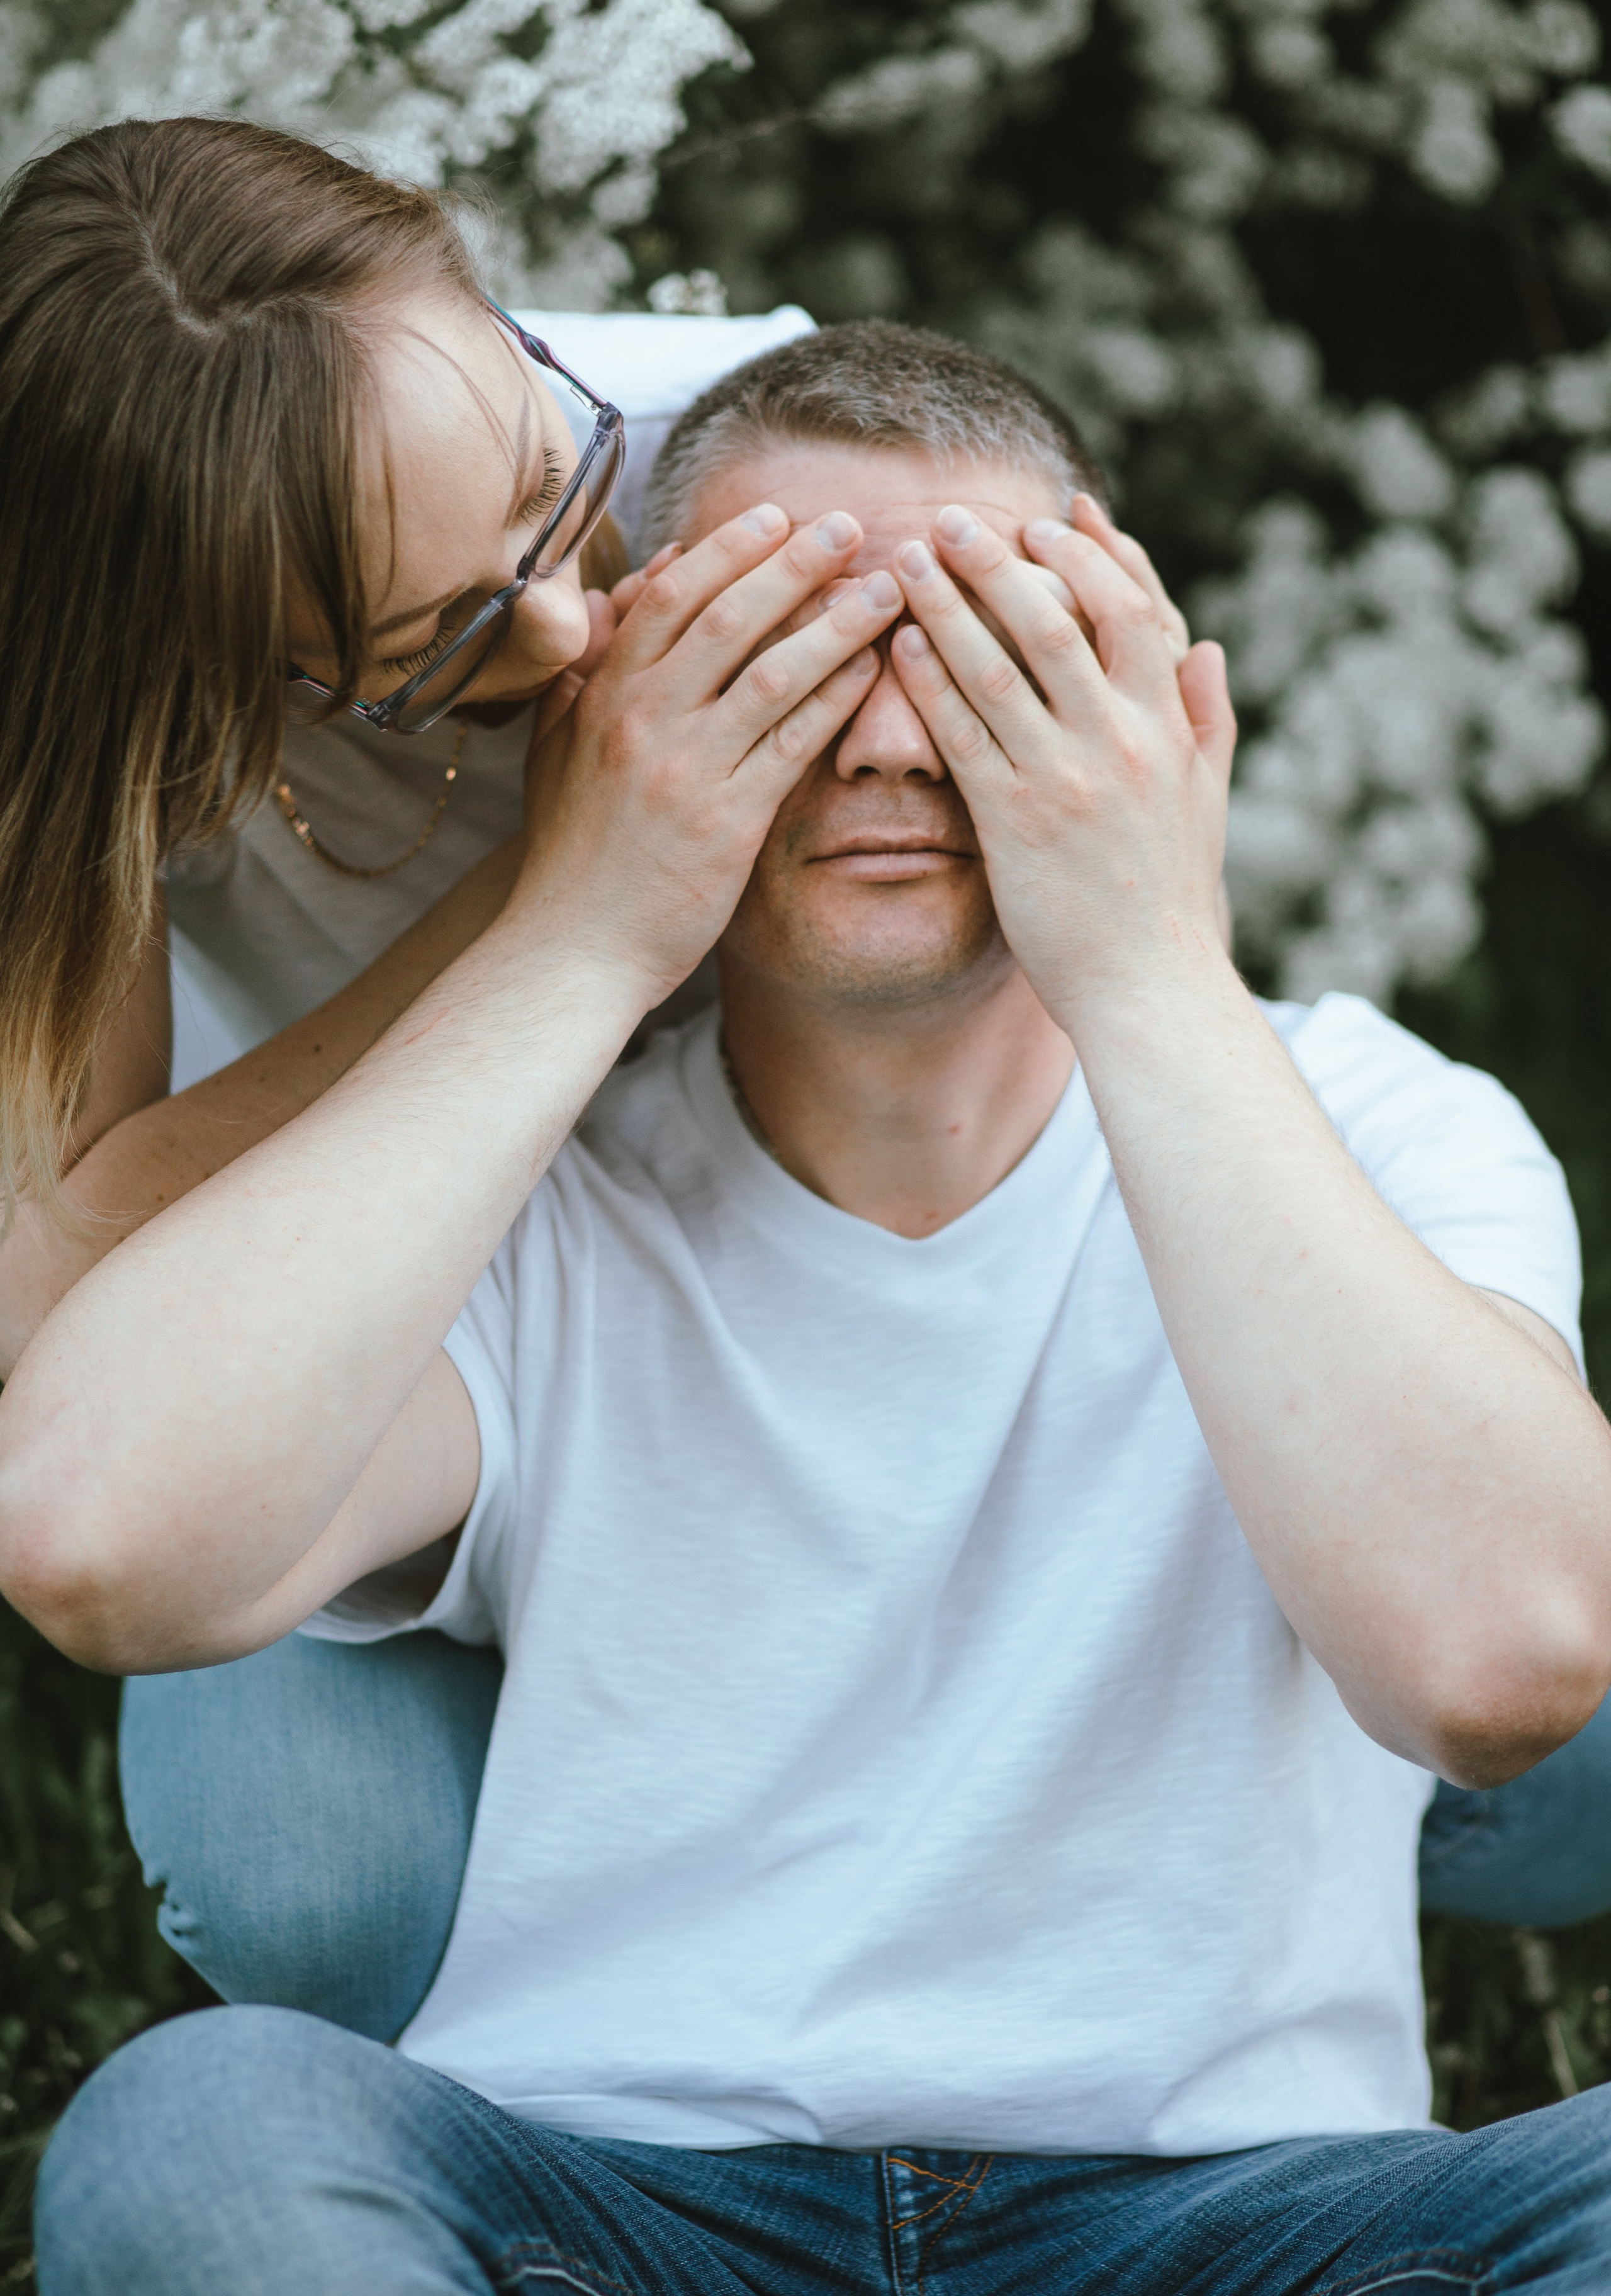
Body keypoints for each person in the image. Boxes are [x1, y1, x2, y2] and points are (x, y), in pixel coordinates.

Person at [9, 318, 1611, 2293]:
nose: (884, 744)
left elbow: (1501, 1662)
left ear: (1154, 711)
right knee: (201, 2126)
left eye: (987, 659)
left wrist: (1147, 963)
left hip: (1235, 2217)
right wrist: (583, 926)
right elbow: (98, 1541)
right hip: (627, 2206)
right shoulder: (525, 1175)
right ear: (621, 715)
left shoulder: (1374, 1122)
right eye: (787, 658)